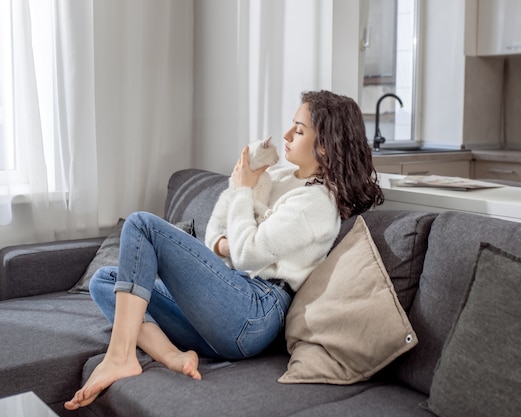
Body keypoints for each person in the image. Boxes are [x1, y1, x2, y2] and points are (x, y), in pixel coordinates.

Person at [64, 90, 385, 410]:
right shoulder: (279, 176)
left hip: (254, 312)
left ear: (325, 145)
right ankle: (172, 355)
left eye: (299, 130)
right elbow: (215, 235)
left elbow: (246, 254)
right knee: (105, 280)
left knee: (142, 225)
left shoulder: (316, 204)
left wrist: (243, 196)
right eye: (292, 125)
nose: (286, 135)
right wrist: (237, 212)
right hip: (224, 303)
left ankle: (120, 356)